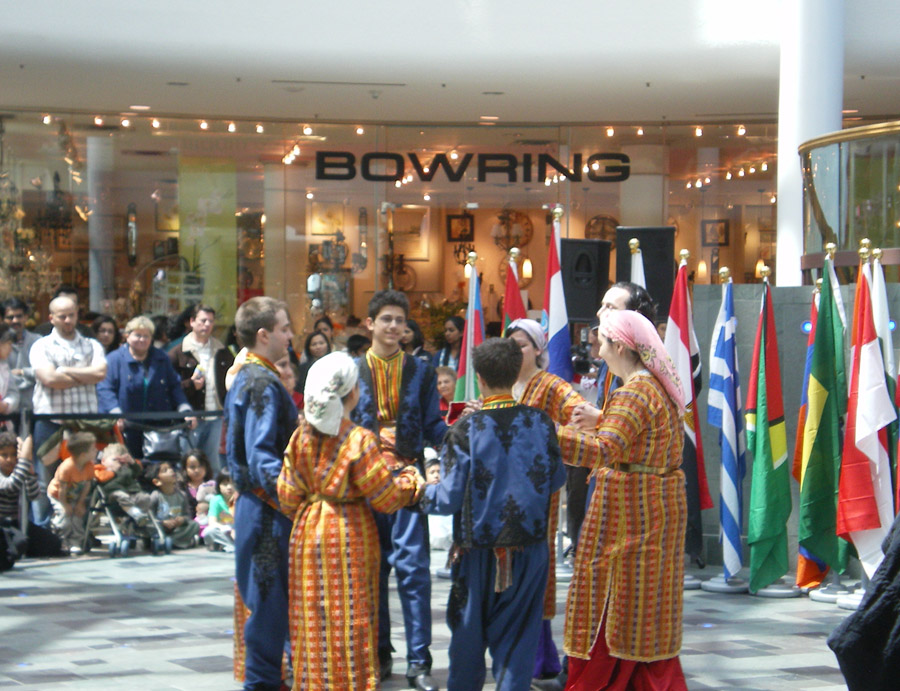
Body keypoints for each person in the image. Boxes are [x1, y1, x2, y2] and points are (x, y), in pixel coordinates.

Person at [421, 338, 566, 691]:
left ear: (479, 379)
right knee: (517, 649)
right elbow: (556, 479)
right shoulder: (541, 423)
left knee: (468, 645)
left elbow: (447, 499)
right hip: (530, 550)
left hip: (477, 553)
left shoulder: (464, 430)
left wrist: (422, 484)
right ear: (517, 372)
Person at [278, 351, 424, 690]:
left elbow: (286, 496)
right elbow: (386, 497)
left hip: (307, 533)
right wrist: (412, 481)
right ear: (353, 393)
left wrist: (312, 508)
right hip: (349, 533)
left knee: (311, 617)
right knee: (350, 617)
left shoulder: (300, 436)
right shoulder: (359, 438)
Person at [559, 309, 688, 691]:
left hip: (632, 517)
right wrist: (602, 419)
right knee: (651, 602)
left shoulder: (634, 390)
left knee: (615, 597)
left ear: (619, 345)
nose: (598, 352)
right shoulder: (655, 385)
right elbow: (639, 440)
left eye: (602, 343)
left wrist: (545, 436)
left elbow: (604, 450)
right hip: (654, 509)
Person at [351, 289, 447, 691]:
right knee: (371, 572)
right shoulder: (350, 369)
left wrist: (459, 434)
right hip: (365, 484)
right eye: (386, 319)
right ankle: (378, 653)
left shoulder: (422, 370)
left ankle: (419, 661)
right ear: (370, 324)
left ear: (407, 329)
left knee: (414, 573)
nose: (393, 327)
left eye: (400, 321)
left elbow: (432, 426)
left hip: (407, 483)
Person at [504, 318, 585, 685]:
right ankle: (536, 655)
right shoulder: (505, 386)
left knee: (537, 567)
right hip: (502, 493)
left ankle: (537, 654)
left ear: (538, 349)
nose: (515, 351)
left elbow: (582, 418)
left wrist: (550, 438)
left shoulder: (551, 385)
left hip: (537, 495)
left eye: (522, 344)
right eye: (510, 345)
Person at [224, 296, 298, 691]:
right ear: (264, 334)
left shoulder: (249, 375)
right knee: (268, 607)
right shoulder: (261, 381)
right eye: (285, 328)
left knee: (268, 603)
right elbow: (260, 455)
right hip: (267, 509)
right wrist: (293, 495)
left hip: (258, 506)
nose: (290, 336)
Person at [29, 295, 107, 524]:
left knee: (83, 477)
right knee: (46, 479)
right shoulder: (41, 346)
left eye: (71, 315)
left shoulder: (92, 345)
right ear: (51, 318)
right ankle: (45, 531)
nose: (68, 320)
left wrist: (64, 371)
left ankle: (81, 531)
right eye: (62, 316)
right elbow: (49, 378)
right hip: (50, 422)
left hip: (84, 424)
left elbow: (100, 374)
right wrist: (84, 375)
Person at [98, 316, 196, 462]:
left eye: (146, 336)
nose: (142, 339)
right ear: (127, 336)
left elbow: (174, 386)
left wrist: (185, 409)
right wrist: (115, 413)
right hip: (127, 428)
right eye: (137, 335)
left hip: (158, 429)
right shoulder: (114, 359)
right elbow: (105, 389)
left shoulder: (161, 358)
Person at [169, 304, 234, 472]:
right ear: (191, 322)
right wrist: (190, 385)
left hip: (215, 415)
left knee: (212, 463)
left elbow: (232, 379)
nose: (207, 325)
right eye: (203, 320)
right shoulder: (177, 352)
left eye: (211, 321)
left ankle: (211, 495)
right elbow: (169, 388)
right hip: (191, 416)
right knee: (188, 461)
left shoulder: (222, 350)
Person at [0, 432, 63, 559]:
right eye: (4, 455)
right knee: (19, 544)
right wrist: (24, 460)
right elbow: (10, 485)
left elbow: (34, 495)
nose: (10, 460)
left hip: (15, 522)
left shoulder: (19, 470)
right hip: (1, 523)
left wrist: (29, 471)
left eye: (13, 455)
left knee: (54, 544)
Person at [47, 431, 97, 554]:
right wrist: (65, 505)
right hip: (58, 495)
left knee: (77, 516)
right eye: (93, 449)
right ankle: (61, 540)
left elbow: (87, 484)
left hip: (75, 495)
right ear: (83, 455)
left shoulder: (89, 466)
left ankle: (75, 541)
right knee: (65, 516)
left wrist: (80, 503)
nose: (96, 450)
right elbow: (62, 489)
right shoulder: (67, 467)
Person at [146, 460, 200, 549]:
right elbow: (149, 517)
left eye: (170, 468)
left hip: (177, 529)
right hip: (161, 528)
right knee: (151, 529)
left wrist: (182, 520)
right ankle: (172, 541)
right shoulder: (155, 496)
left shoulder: (181, 495)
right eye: (165, 470)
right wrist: (162, 523)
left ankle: (170, 541)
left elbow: (187, 515)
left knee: (194, 525)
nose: (171, 471)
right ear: (157, 482)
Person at [3, 297, 40, 421]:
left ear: (26, 317)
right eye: (10, 317)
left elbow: (44, 373)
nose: (15, 320)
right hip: (6, 410)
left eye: (19, 316)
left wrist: (22, 372)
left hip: (35, 407)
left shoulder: (38, 342)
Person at [95, 443, 151, 524]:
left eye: (122, 461)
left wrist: (131, 462)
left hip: (131, 496)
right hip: (113, 498)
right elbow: (100, 479)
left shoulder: (126, 470)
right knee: (121, 495)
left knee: (145, 497)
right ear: (103, 461)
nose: (119, 463)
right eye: (115, 460)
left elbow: (137, 472)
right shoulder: (100, 470)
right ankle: (136, 515)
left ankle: (139, 521)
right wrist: (113, 471)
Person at [205, 467, 236, 552]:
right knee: (209, 531)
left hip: (238, 531)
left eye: (232, 483)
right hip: (224, 531)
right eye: (225, 484)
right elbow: (212, 522)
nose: (229, 487)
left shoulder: (240, 499)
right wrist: (227, 529)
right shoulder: (216, 500)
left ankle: (231, 546)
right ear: (219, 486)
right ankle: (230, 546)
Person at [295, 330, 331, 395]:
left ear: (327, 345)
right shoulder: (303, 368)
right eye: (314, 344)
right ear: (308, 348)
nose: (318, 347)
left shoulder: (335, 365)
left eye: (321, 343)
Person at [0, 324, 19, 429]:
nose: (11, 349)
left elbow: (13, 393)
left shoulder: (4, 366)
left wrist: (6, 404)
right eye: (9, 344)